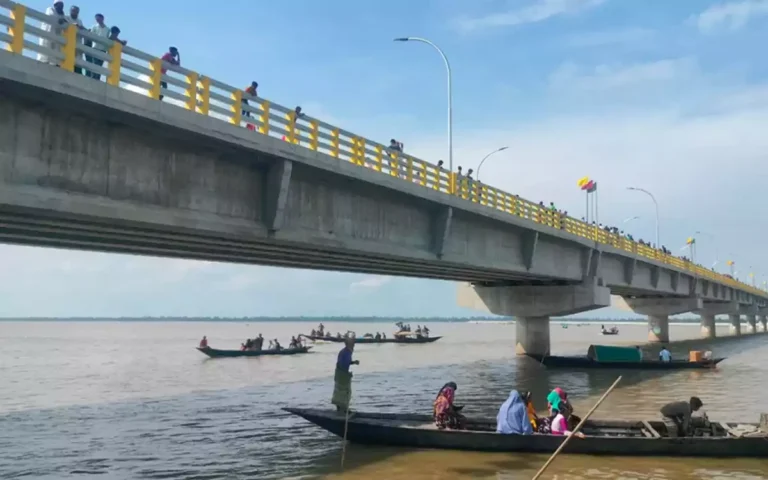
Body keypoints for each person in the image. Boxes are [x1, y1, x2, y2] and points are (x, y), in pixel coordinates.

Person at [332, 338, 359, 412]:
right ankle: (341, 409)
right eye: (352, 344)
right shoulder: (344, 352)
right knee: (342, 391)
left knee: (344, 392)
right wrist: (345, 374)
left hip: (343, 373)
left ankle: (343, 408)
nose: (353, 345)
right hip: (341, 374)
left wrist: (353, 362)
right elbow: (341, 364)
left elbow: (347, 362)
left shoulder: (348, 352)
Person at [38, 1, 68, 65]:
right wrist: (60, 19)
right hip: (47, 35)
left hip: (56, 37)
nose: (61, 7)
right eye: (60, 5)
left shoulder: (62, 14)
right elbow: (52, 16)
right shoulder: (50, 9)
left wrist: (63, 18)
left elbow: (66, 23)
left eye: (62, 6)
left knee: (56, 52)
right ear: (55, 5)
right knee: (45, 52)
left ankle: (55, 64)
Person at [86, 13, 110, 80]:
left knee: (100, 65)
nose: (97, 20)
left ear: (102, 19)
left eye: (99, 19)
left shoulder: (107, 29)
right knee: (95, 64)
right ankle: (93, 78)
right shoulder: (94, 27)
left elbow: (108, 38)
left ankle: (97, 79)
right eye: (96, 19)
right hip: (95, 48)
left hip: (103, 49)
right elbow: (91, 35)